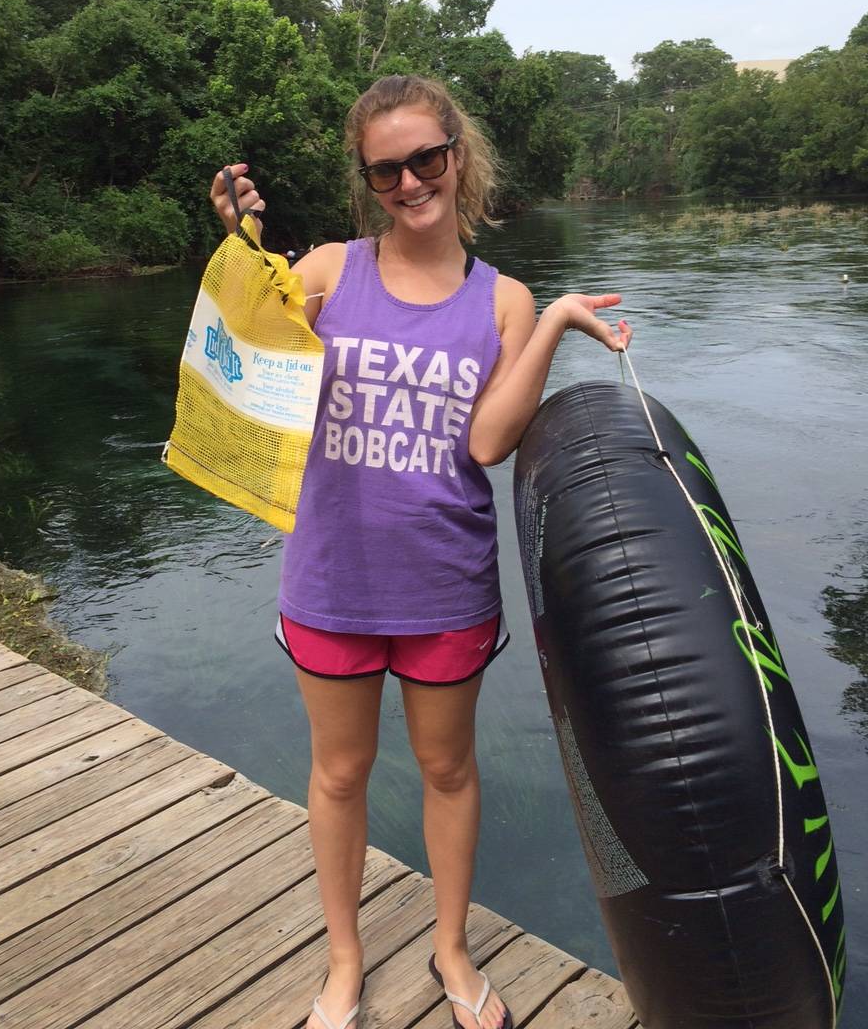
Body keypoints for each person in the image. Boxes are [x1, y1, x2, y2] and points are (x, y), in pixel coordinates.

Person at [210, 74, 631, 1029]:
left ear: (458, 154)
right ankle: (346, 961)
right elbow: (243, 346)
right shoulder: (325, 269)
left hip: (446, 584)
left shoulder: (505, 302)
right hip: (331, 578)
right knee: (340, 774)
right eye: (387, 169)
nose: (411, 183)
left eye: (426, 159)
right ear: (369, 180)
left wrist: (558, 322)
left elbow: (486, 445)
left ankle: (450, 946)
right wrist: (241, 243)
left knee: (447, 770)